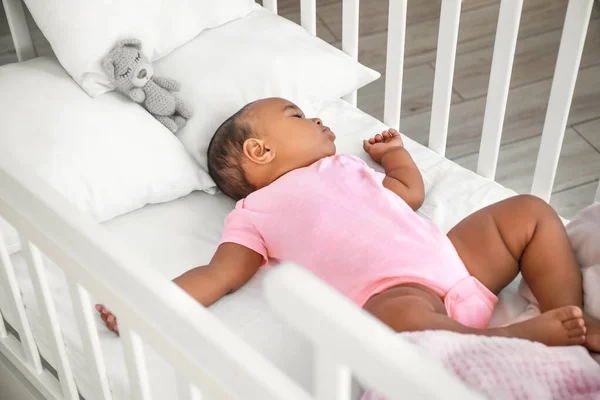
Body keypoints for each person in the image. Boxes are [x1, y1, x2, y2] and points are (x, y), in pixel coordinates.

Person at [96, 97, 600, 351]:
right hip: (398, 291)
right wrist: (145, 304)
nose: (317, 120)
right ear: (260, 150)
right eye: (299, 116)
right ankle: (510, 338)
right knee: (390, 319)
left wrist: (397, 156)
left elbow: (409, 196)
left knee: (529, 212)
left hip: (452, 258)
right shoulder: (252, 215)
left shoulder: (345, 167)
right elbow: (218, 275)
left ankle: (572, 317)